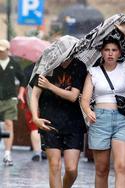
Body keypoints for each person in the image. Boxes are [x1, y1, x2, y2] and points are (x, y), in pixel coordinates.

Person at [81, 23, 125, 188]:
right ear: (102, 52)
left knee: (122, 167)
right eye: (107, 50)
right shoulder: (93, 72)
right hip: (100, 119)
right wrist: (88, 110)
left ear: (119, 53)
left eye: (114, 50)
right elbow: (85, 99)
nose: (110, 53)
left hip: (121, 121)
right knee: (101, 169)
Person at [30, 56, 87, 188]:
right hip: (49, 121)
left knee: (71, 169)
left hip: (73, 123)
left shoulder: (79, 66)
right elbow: (35, 95)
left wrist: (49, 86)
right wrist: (35, 117)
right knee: (55, 165)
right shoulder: (46, 65)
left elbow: (73, 96)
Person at [0, 39, 26, 166]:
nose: (0, 53)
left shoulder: (14, 64)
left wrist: (20, 94)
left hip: (10, 99)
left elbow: (23, 80)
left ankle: (7, 153)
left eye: (2, 51)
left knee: (8, 124)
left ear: (8, 51)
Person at [23, 63, 46, 161]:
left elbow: (24, 85)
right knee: (44, 125)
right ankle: (43, 150)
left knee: (34, 128)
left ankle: (37, 151)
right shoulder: (48, 67)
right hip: (44, 99)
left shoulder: (28, 68)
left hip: (29, 96)